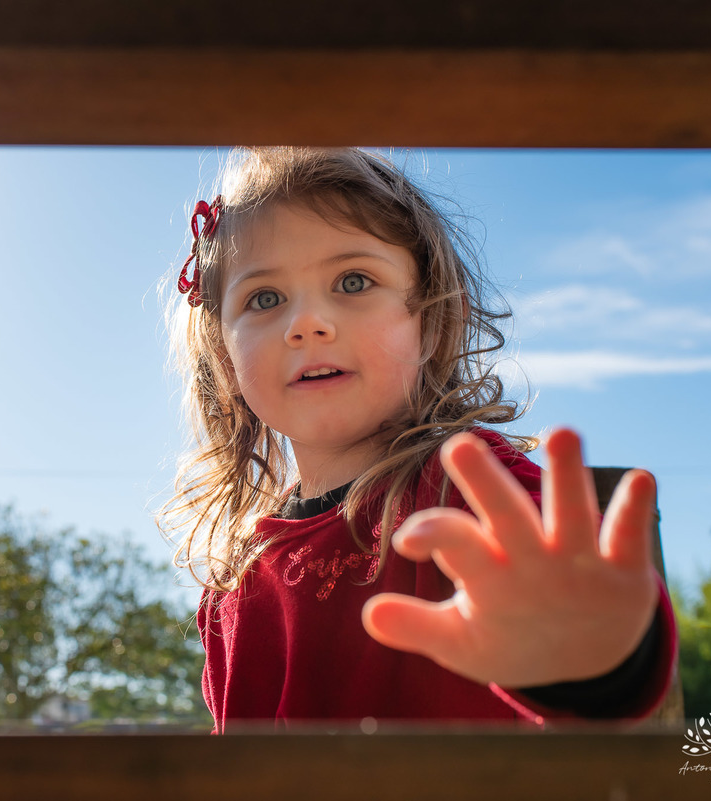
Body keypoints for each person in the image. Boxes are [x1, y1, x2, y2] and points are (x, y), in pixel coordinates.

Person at [159, 147, 677, 731]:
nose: (307, 322)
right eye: (265, 298)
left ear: (430, 322)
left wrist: (596, 657)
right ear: (226, 362)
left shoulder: (464, 489)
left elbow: (570, 605)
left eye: (353, 281)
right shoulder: (235, 576)